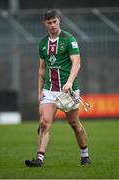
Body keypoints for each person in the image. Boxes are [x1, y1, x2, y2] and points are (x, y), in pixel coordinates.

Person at [25, 9, 90, 167]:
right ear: (44, 24)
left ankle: (85, 156)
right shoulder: (42, 43)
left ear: (59, 20)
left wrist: (69, 82)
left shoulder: (69, 39)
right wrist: (40, 90)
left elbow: (77, 63)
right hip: (50, 89)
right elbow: (41, 69)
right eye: (49, 22)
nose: (53, 25)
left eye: (55, 21)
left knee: (74, 124)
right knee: (44, 124)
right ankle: (39, 160)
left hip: (68, 90)